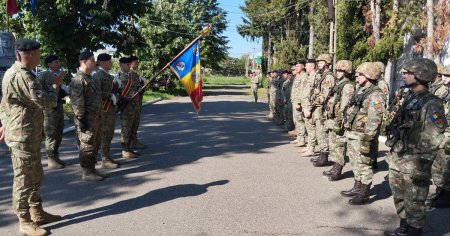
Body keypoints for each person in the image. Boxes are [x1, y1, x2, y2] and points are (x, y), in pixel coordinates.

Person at [0, 39, 62, 236]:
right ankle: (24, 221)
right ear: (30, 54)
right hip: (23, 136)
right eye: (38, 53)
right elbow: (47, 102)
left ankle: (37, 213)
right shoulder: (25, 77)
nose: (40, 57)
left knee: (35, 175)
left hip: (27, 134)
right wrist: (55, 86)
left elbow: (4, 103)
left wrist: (4, 123)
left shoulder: (12, 72)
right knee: (24, 179)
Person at [384, 58, 446, 236]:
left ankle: (414, 231)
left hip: (415, 160)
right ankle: (404, 225)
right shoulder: (411, 97)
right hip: (399, 156)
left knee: (415, 201)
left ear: (421, 75)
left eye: (408, 72)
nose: (404, 75)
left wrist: (423, 165)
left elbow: (435, 136)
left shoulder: (432, 103)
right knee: (399, 196)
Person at [340, 62, 385, 205]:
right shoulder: (361, 90)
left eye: (360, 75)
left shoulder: (376, 95)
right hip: (354, 133)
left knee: (364, 164)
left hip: (364, 135)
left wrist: (368, 139)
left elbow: (375, 119)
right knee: (354, 162)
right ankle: (357, 187)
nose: (357, 77)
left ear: (368, 76)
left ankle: (364, 193)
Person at [70, 51, 106, 181]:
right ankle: (86, 172)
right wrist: (81, 119)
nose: (94, 62)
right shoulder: (78, 79)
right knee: (86, 145)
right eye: (92, 59)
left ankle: (92, 169)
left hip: (96, 118)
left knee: (95, 144)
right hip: (87, 120)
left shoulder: (90, 77)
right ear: (84, 61)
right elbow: (77, 101)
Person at [322, 60, 354, 180]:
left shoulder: (347, 86)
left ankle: (338, 169)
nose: (338, 72)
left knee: (340, 145)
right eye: (337, 70)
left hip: (340, 120)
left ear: (346, 72)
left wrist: (339, 122)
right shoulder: (338, 83)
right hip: (334, 117)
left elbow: (345, 106)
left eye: (341, 70)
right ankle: (335, 166)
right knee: (333, 144)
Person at [38, 55, 69, 169]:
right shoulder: (44, 75)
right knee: (51, 134)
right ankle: (51, 159)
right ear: (49, 64)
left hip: (58, 107)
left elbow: (59, 89)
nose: (58, 64)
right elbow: (39, 91)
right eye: (55, 62)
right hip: (49, 110)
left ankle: (56, 156)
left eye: (58, 62)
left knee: (58, 132)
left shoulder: (58, 74)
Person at [93, 53, 121, 169]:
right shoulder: (99, 75)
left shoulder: (107, 75)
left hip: (110, 110)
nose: (111, 63)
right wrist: (109, 95)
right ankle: (104, 159)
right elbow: (96, 92)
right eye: (110, 61)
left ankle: (107, 156)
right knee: (104, 134)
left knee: (109, 133)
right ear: (103, 62)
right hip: (103, 110)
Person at [308, 53, 335, 165]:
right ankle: (322, 155)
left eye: (321, 62)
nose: (319, 63)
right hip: (318, 108)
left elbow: (325, 96)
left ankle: (324, 157)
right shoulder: (322, 75)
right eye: (318, 62)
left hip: (323, 108)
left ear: (327, 63)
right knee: (319, 133)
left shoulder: (328, 76)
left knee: (322, 133)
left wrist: (315, 99)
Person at [430, 65, 450, 208]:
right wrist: (434, 119)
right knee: (440, 165)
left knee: (447, 166)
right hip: (442, 132)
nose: (444, 78)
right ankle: (442, 191)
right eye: (443, 75)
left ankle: (447, 195)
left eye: (448, 76)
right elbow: (441, 113)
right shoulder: (447, 93)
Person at [117, 57, 140, 159]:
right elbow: (118, 91)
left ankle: (129, 147)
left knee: (131, 127)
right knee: (125, 128)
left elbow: (135, 88)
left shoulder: (132, 75)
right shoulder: (118, 77)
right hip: (126, 106)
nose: (128, 66)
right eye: (126, 64)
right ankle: (125, 150)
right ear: (121, 65)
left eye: (128, 64)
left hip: (133, 105)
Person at [299, 59, 319, 156]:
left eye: (307, 65)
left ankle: (311, 149)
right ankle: (309, 147)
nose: (305, 67)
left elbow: (313, 94)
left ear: (313, 66)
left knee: (311, 129)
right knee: (308, 127)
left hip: (309, 106)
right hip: (305, 105)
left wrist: (309, 108)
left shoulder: (315, 77)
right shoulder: (308, 76)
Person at [129, 56, 147, 149]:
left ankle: (134, 140)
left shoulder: (136, 74)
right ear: (130, 63)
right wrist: (139, 89)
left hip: (137, 103)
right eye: (135, 62)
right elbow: (130, 90)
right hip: (132, 104)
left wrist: (143, 84)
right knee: (131, 124)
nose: (137, 64)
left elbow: (139, 90)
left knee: (136, 123)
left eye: (137, 62)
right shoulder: (130, 74)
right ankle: (129, 143)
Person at [289, 60, 308, 146]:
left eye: (298, 66)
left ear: (303, 66)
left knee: (300, 120)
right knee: (296, 120)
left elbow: (302, 90)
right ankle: (299, 137)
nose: (296, 68)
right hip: (294, 101)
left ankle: (302, 139)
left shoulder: (304, 76)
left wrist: (299, 102)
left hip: (298, 102)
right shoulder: (298, 76)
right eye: (295, 66)